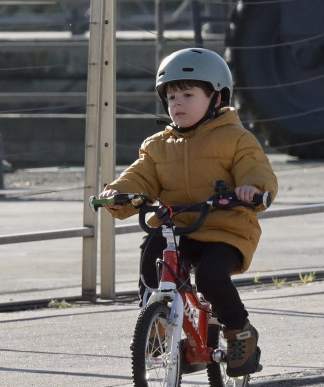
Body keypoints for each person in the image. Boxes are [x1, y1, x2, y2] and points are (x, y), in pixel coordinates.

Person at [98, 47, 278, 376]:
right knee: (152, 260)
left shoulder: (237, 139)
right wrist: (120, 193)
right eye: (171, 97)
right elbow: (140, 176)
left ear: (217, 98)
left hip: (225, 229)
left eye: (188, 94)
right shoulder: (156, 146)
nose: (177, 103)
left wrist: (252, 189)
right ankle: (160, 325)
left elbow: (257, 171)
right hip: (177, 227)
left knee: (210, 276)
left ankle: (240, 331)